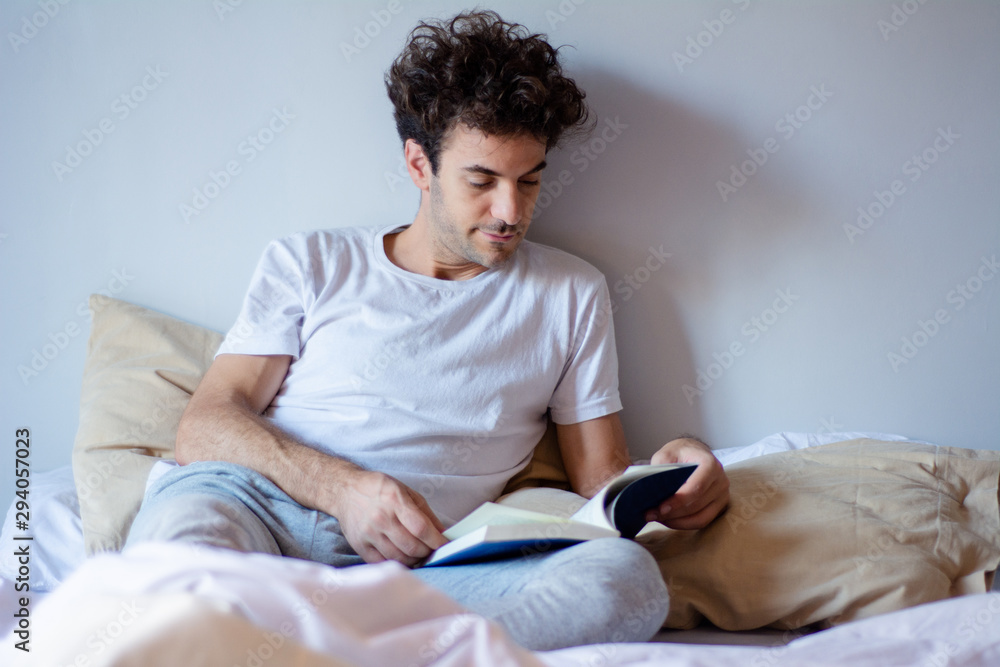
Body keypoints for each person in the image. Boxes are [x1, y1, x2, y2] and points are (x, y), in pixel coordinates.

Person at [125, 10, 730, 650]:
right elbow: (205, 425)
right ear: (420, 165)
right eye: (482, 180)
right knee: (182, 553)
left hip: (423, 567)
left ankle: (308, 646)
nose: (510, 212)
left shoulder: (571, 293)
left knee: (625, 582)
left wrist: (675, 469)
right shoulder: (311, 262)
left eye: (529, 181)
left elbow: (599, 480)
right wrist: (345, 490)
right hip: (258, 513)